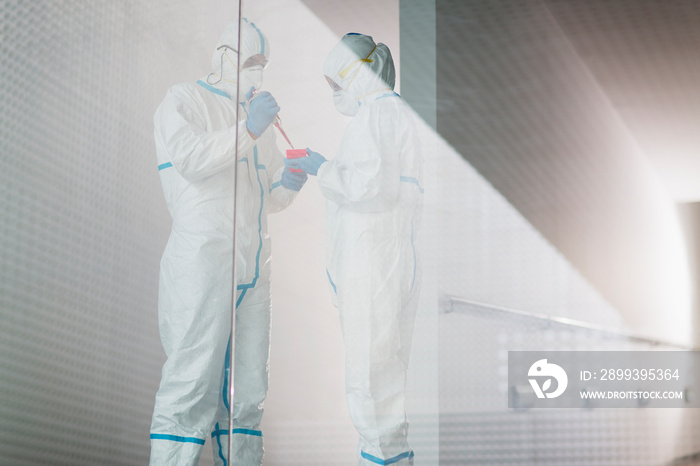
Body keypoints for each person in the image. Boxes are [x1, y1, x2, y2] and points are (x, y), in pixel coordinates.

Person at [150, 19, 307, 466]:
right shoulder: (184, 100)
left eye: (263, 63)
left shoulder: (253, 116)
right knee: (190, 386)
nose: (258, 71)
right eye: (251, 61)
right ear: (224, 55)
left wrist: (289, 183)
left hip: (255, 269)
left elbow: (266, 197)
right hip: (203, 261)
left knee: (248, 397)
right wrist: (251, 130)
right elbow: (192, 159)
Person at [285, 33, 423, 466]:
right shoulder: (389, 114)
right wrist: (331, 167)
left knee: (370, 383)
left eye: (336, 84)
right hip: (385, 261)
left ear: (355, 73)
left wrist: (321, 168)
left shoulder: (378, 114)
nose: (335, 95)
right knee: (383, 382)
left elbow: (368, 187)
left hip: (374, 264)